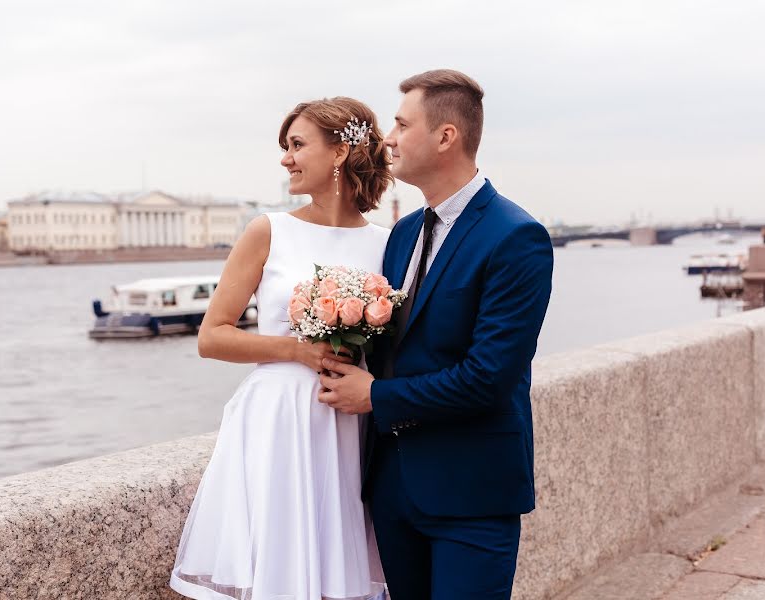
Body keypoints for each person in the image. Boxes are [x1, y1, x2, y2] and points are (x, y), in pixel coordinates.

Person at [318, 69, 554, 599]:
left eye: (402, 124)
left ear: (446, 137)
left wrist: (374, 395)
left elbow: (487, 378)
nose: (388, 138)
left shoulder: (516, 238)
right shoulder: (402, 233)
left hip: (472, 494)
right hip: (394, 488)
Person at [170, 97, 392, 600]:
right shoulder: (268, 230)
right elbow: (212, 336)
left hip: (351, 420)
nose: (285, 158)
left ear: (339, 151)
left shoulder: (389, 242)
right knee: (279, 564)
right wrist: (296, 351)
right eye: (285, 146)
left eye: (297, 145)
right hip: (279, 420)